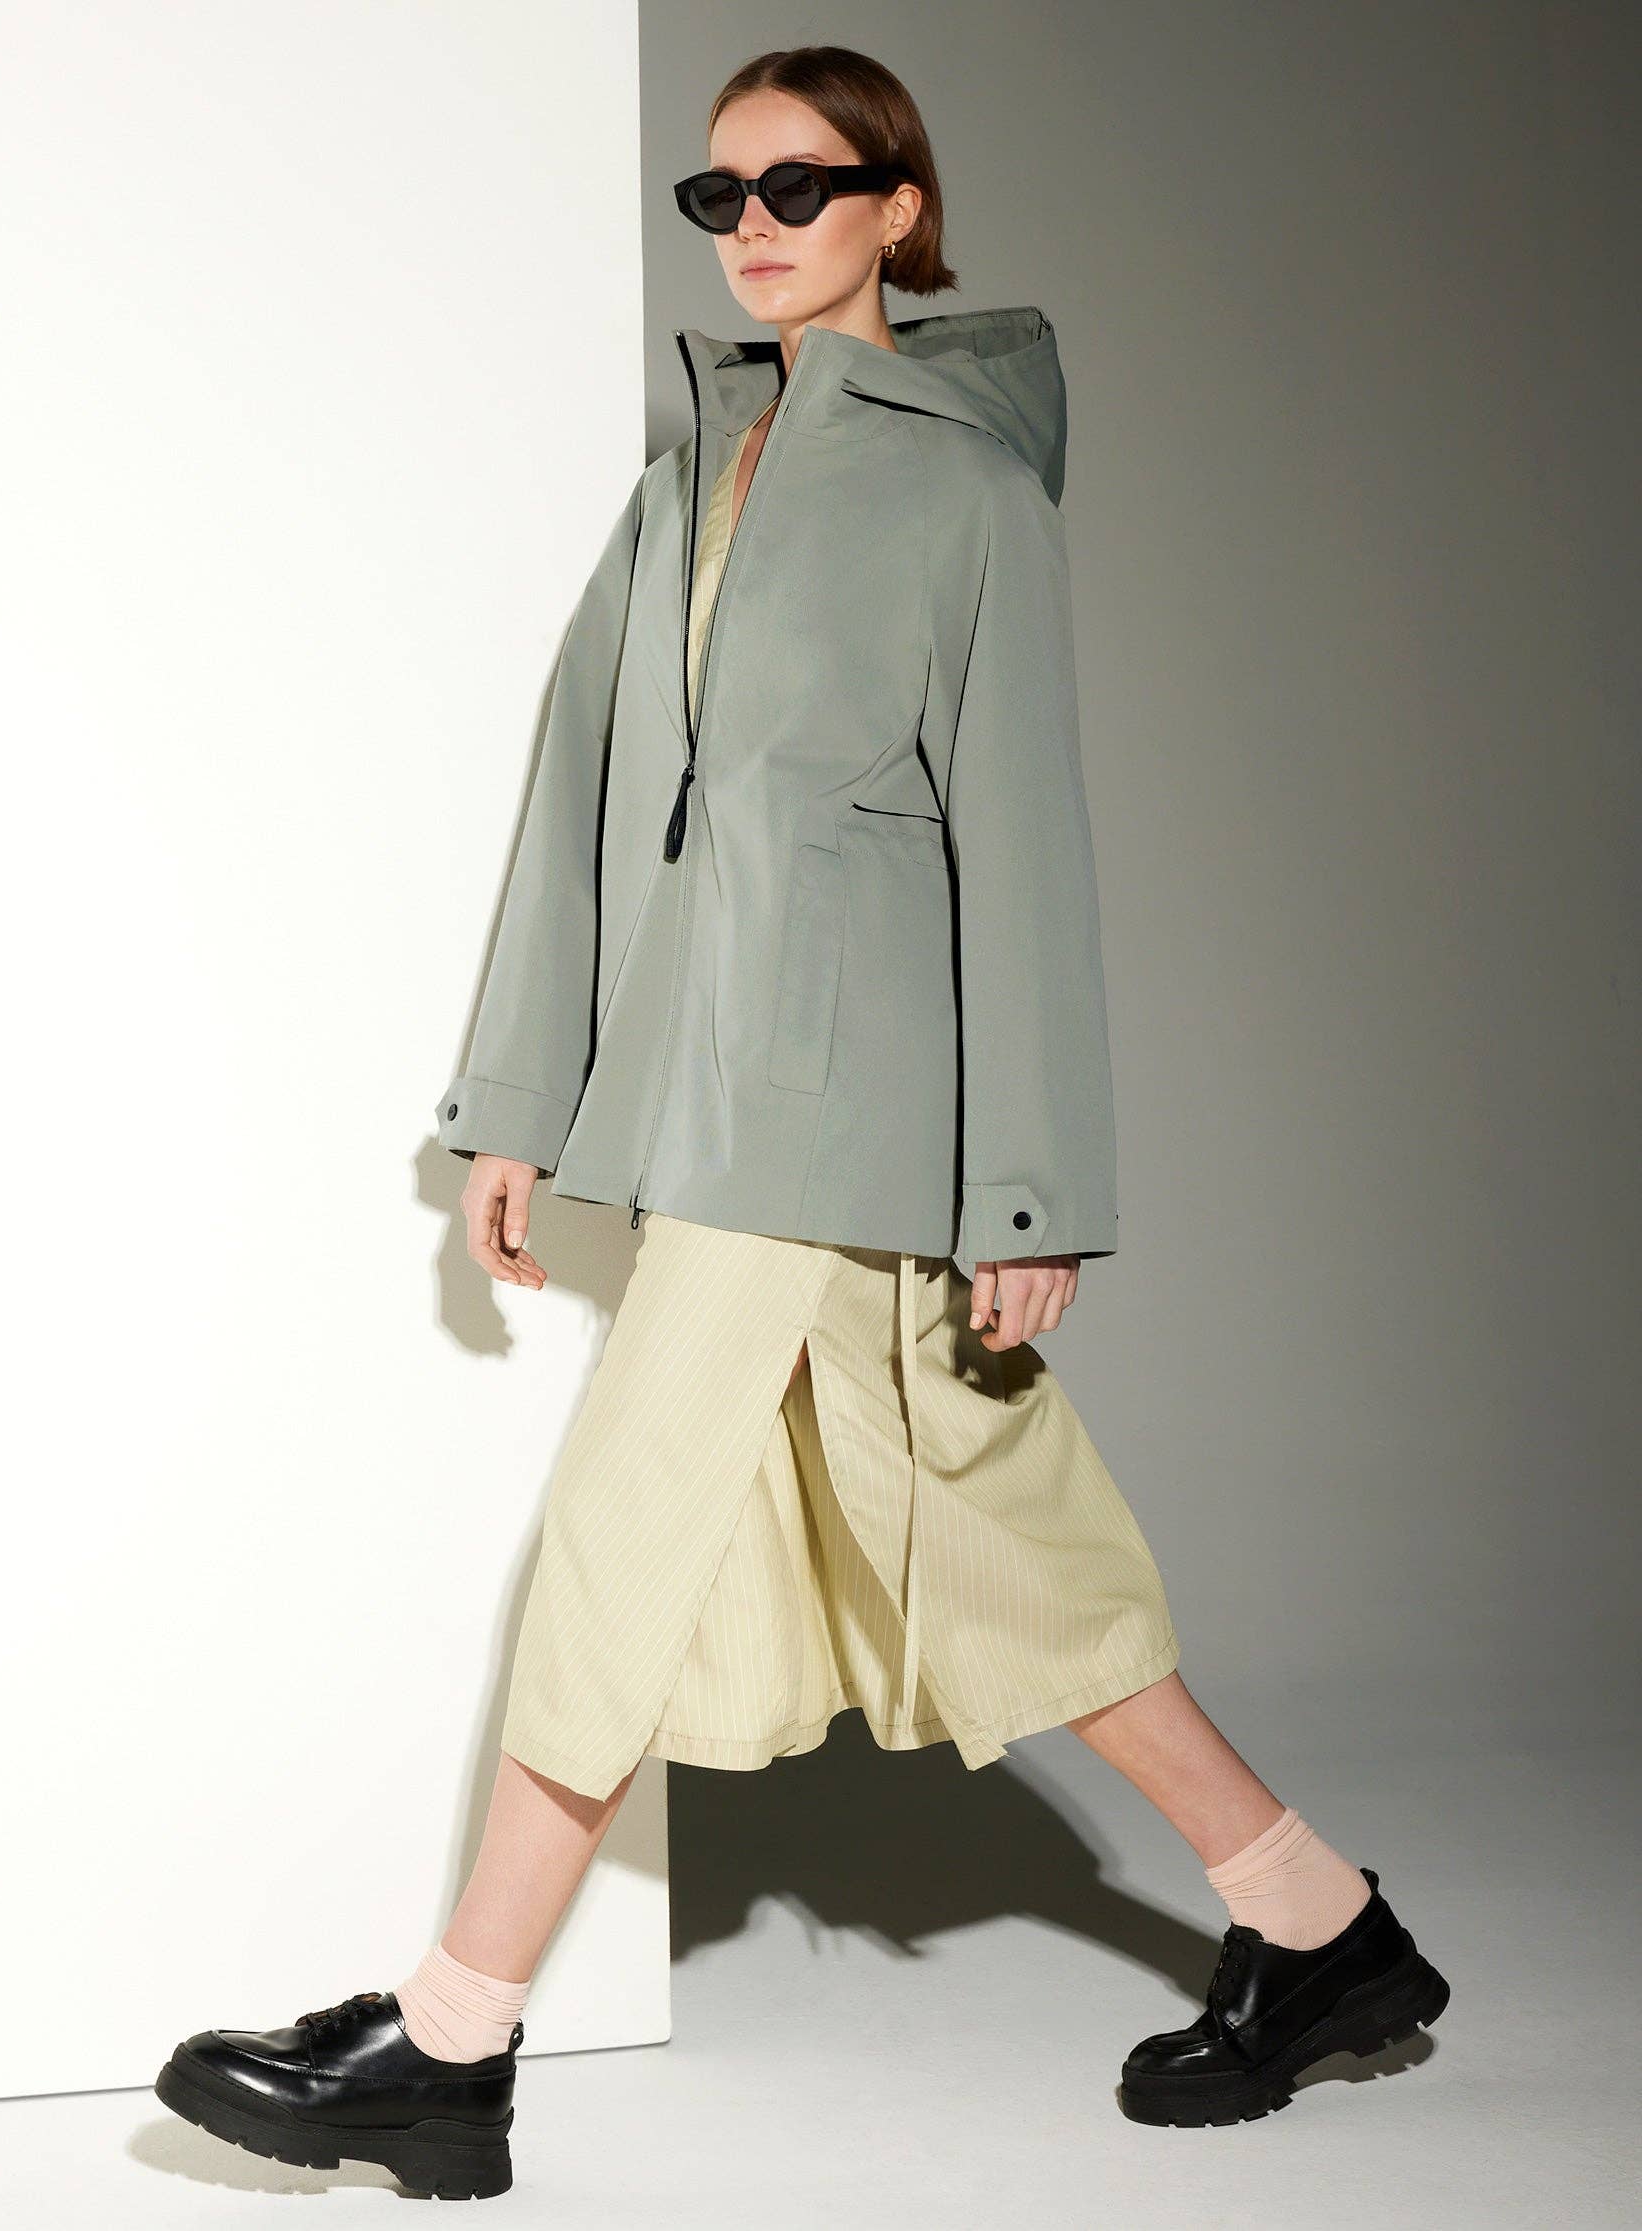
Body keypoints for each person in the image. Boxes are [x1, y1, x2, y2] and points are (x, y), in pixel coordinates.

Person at [155, 43, 1449, 2201]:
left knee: (618, 1549)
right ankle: (1321, 1926)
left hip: (851, 1131)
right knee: (1018, 1574)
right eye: (720, 194)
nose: (751, 226)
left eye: (798, 186)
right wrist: (519, 1103)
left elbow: (1024, 851)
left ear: (896, 208)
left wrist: (1030, 1189)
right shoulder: (690, 482)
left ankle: (450, 2048)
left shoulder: (966, 495)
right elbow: (578, 802)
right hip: (710, 1130)